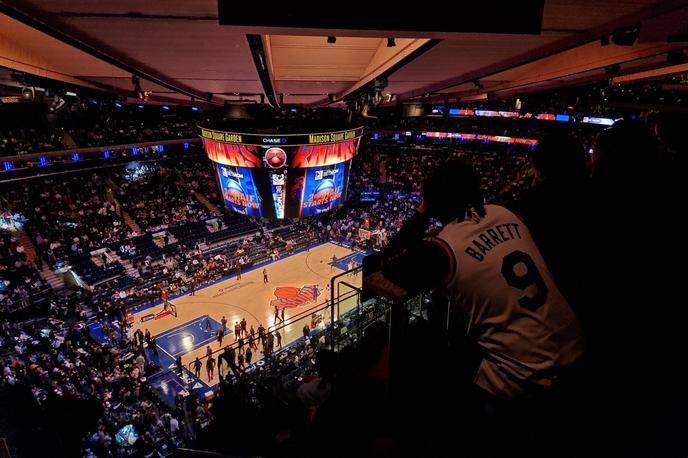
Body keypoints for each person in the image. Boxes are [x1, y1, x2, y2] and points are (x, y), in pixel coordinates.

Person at [364, 160, 585, 452]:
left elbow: (377, 266)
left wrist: (421, 213)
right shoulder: (506, 213)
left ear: (434, 204)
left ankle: (403, 435)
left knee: (417, 349)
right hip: (578, 350)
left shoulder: (442, 252)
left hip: (525, 378)